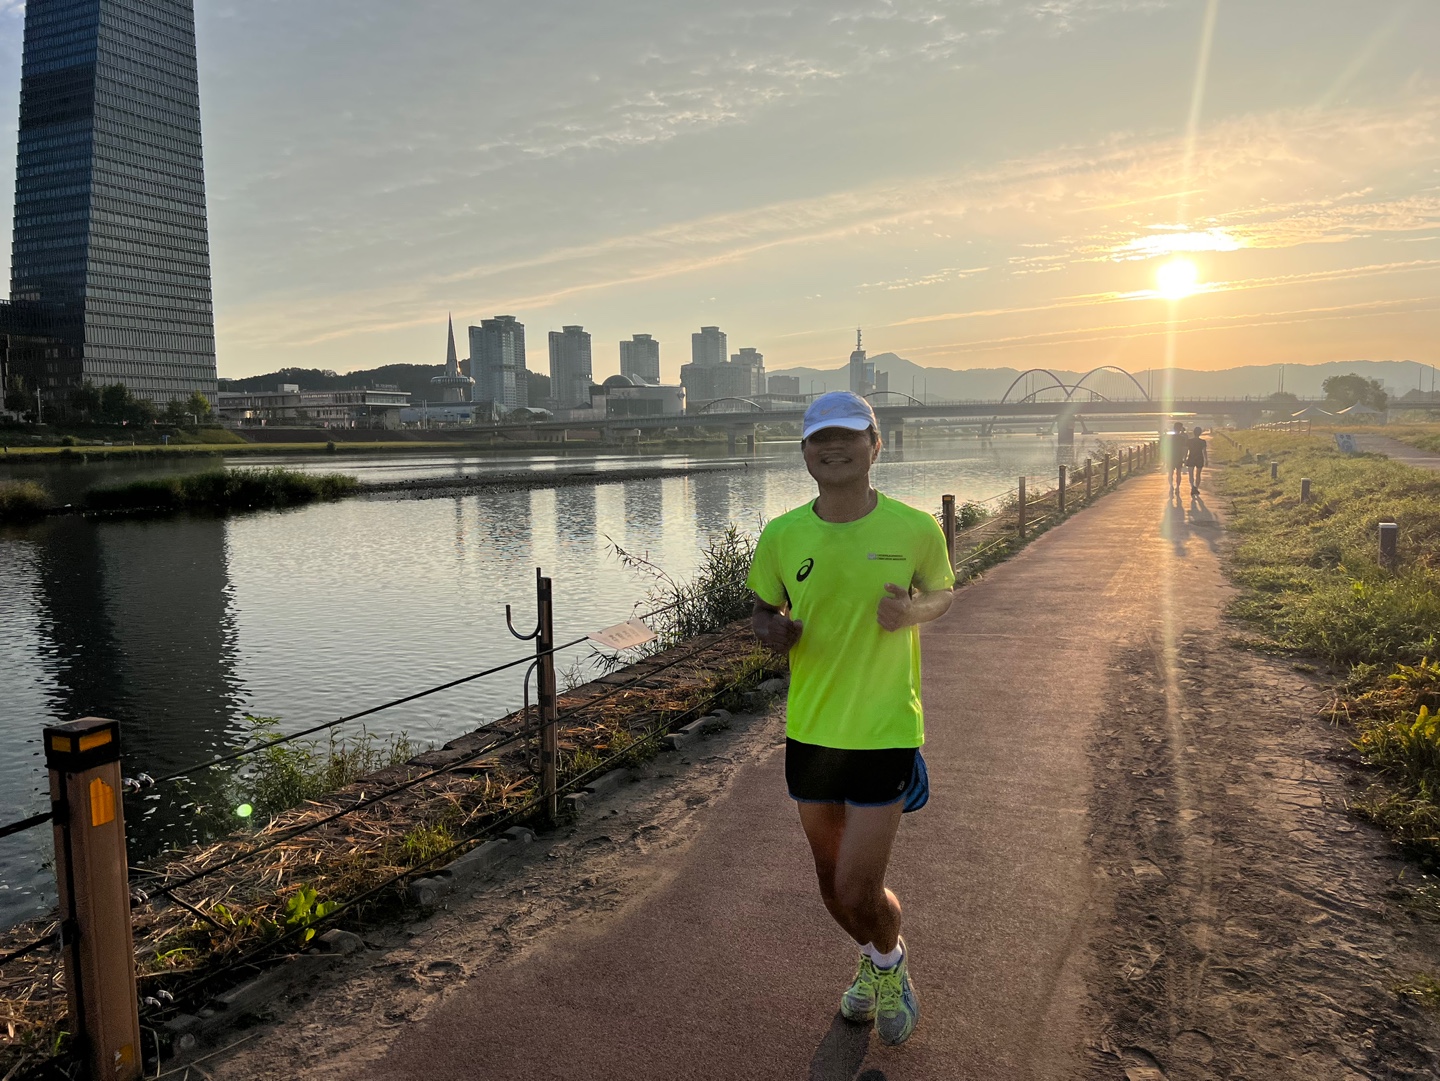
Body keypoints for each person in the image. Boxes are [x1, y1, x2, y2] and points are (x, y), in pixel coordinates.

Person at [746, 390, 955, 1046]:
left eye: (848, 435)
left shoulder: (914, 526)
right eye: (819, 437)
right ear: (805, 452)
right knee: (831, 887)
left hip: (885, 729)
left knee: (858, 884)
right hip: (810, 730)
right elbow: (761, 609)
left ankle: (890, 963)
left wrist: (913, 611)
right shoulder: (782, 535)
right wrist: (771, 630)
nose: (833, 446)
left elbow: (943, 593)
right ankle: (876, 959)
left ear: (875, 445)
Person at [1166, 421, 1187, 495]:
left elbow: (1166, 449)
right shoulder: (1182, 438)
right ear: (1180, 429)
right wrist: (1184, 458)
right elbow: (1184, 449)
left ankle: (1171, 486)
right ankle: (1177, 487)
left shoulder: (1169, 438)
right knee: (1178, 473)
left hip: (1171, 457)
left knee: (1170, 473)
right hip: (1179, 457)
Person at [1186, 425, 1208, 495]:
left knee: (1191, 474)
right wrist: (1206, 459)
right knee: (1198, 474)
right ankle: (1196, 488)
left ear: (1193, 432)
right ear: (1200, 433)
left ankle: (1192, 486)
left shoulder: (1189, 441)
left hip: (1191, 457)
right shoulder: (1203, 442)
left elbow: (1186, 450)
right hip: (1199, 458)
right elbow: (1204, 451)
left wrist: (1184, 458)